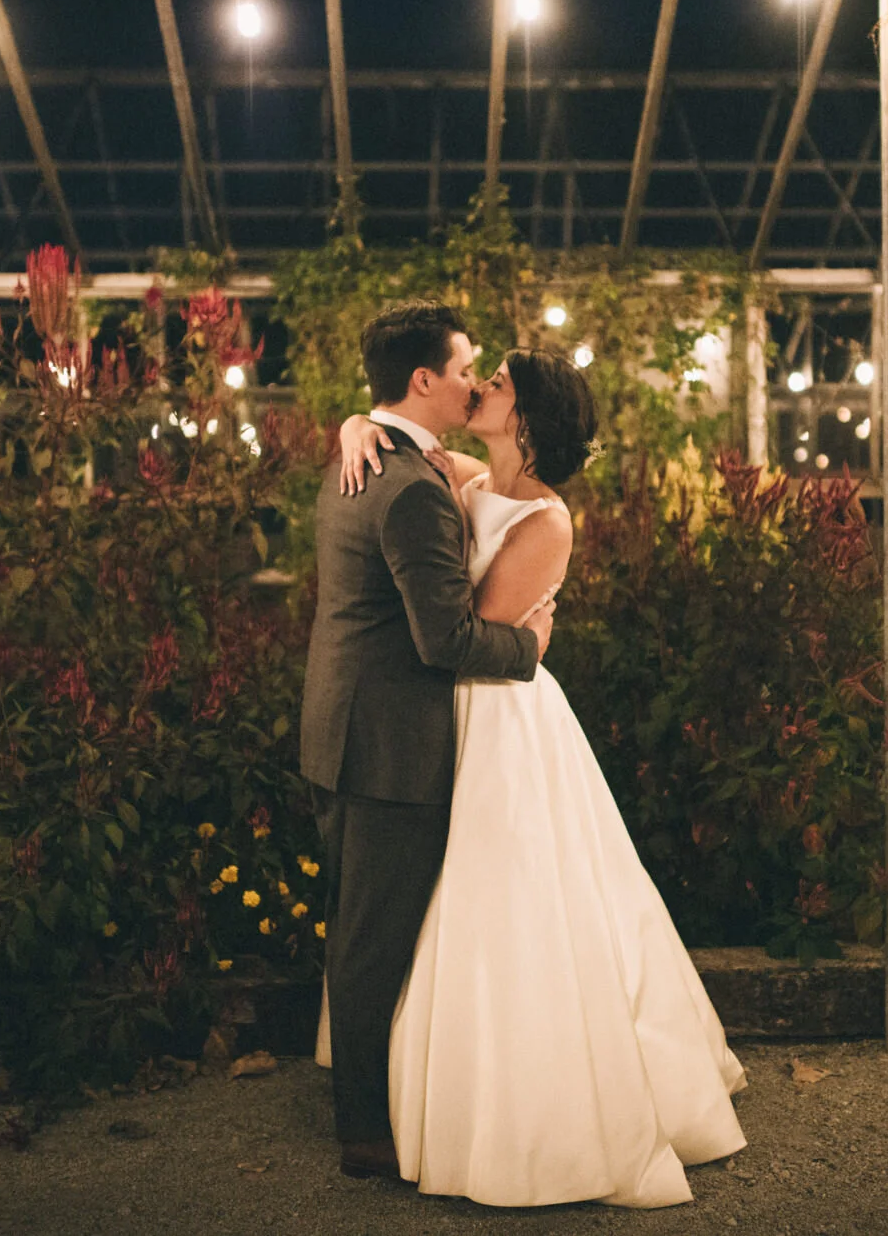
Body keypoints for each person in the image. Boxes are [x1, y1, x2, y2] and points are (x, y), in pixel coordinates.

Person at [329, 344, 747, 1209]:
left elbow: (470, 631)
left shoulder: (547, 520)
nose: (481, 387)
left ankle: (525, 1107)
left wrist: (528, 642)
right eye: (481, 374)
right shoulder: (473, 476)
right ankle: (432, 1089)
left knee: (508, 903)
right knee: (441, 905)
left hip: (499, 714)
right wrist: (353, 424)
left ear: (529, 415)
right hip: (453, 708)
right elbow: (397, 443)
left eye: (501, 383)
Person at [299, 300, 553, 1182]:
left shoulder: (371, 450)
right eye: (464, 366)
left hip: (344, 725)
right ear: (422, 380)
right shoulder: (406, 484)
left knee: (360, 928)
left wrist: (354, 418)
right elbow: (442, 640)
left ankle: (376, 1094)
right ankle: (365, 1133)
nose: (475, 379)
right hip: (388, 744)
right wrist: (531, 645)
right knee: (372, 940)